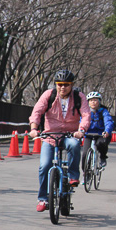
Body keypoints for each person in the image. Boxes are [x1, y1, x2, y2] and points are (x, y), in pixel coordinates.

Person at [28, 69, 90, 212]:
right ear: (56, 84)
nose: (63, 87)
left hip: (70, 135)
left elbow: (86, 115)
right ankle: (43, 199)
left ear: (72, 85)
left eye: (66, 85)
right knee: (44, 165)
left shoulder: (79, 97)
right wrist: (34, 128)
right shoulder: (48, 95)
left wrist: (81, 130)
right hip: (51, 135)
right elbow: (37, 111)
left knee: (74, 145)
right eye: (60, 84)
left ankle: (73, 176)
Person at [82, 91, 114, 168]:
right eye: (91, 100)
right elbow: (82, 121)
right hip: (88, 134)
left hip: (101, 134)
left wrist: (107, 131)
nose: (93, 102)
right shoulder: (86, 112)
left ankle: (103, 157)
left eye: (95, 100)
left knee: (101, 143)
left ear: (99, 102)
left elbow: (108, 121)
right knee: (84, 154)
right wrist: (81, 130)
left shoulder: (103, 111)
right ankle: (85, 174)